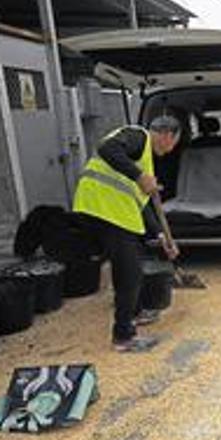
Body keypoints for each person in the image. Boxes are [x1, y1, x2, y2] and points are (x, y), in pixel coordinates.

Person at [73, 116, 182, 351]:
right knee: (130, 272)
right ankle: (123, 337)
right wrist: (139, 176)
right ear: (168, 136)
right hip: (104, 209)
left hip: (110, 211)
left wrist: (161, 235)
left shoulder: (145, 159)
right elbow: (106, 148)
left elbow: (141, 204)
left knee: (128, 269)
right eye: (174, 143)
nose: (172, 149)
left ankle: (132, 314)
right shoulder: (138, 136)